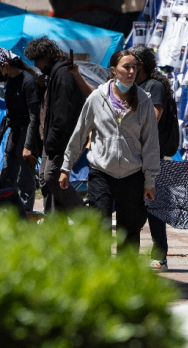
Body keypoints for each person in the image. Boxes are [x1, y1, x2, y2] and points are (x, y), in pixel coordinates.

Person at [58, 50, 160, 253]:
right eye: (126, 67)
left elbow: (150, 143)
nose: (131, 72)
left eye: (134, 67)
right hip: (101, 172)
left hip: (132, 175)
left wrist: (150, 181)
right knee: (100, 227)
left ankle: (126, 278)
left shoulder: (144, 100)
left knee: (129, 231)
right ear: (114, 70)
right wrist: (66, 167)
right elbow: (80, 134)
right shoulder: (97, 98)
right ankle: (101, 278)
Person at [25, 37, 89, 213]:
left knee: (53, 177)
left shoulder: (62, 75)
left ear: (45, 56)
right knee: (45, 179)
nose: (37, 65)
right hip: (52, 139)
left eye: (37, 60)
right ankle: (56, 222)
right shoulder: (55, 74)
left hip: (60, 140)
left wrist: (54, 142)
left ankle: (86, 216)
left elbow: (62, 114)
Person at [129, 45, 175, 271]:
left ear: (141, 64)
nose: (129, 68)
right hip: (133, 155)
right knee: (135, 208)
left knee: (155, 207)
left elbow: (154, 117)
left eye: (132, 64)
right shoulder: (132, 86)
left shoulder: (154, 87)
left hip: (151, 156)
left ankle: (160, 256)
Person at [0, 47, 39, 211]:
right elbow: (10, 112)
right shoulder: (9, 81)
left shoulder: (28, 82)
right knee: (7, 174)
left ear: (5, 64)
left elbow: (34, 116)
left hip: (29, 133)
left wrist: (29, 146)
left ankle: (27, 213)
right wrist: (1, 133)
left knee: (26, 177)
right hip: (14, 133)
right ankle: (8, 211)